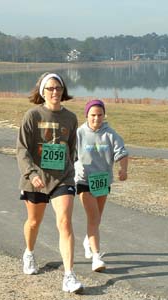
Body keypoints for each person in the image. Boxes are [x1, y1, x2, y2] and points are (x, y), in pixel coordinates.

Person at [16, 72, 83, 293]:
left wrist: (71, 169)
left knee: (64, 222)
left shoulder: (71, 118)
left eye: (59, 88)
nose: (55, 92)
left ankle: (69, 275)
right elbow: (22, 149)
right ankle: (29, 252)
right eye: (51, 88)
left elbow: (71, 148)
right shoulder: (32, 116)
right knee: (34, 222)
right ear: (42, 92)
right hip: (36, 178)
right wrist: (31, 173)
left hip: (62, 178)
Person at [74, 99, 128, 272]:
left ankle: (88, 241)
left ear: (104, 115)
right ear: (87, 115)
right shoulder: (79, 133)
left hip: (103, 181)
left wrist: (123, 169)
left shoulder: (110, 134)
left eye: (99, 115)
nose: (96, 119)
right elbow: (70, 154)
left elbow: (122, 153)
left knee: (96, 219)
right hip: (84, 180)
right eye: (93, 115)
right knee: (94, 218)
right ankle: (96, 257)